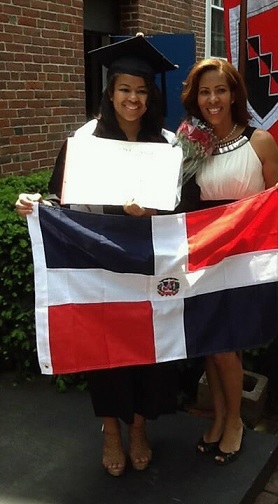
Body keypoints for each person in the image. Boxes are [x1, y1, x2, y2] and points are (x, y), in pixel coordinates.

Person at [15, 35, 179, 477]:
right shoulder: (84, 142)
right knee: (105, 353)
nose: (133, 98)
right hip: (98, 262)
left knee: (149, 350)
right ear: (111, 92)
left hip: (149, 261)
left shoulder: (166, 144)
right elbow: (61, 199)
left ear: (151, 96)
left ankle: (140, 427)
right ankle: (111, 429)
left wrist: (153, 208)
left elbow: (181, 206)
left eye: (142, 90)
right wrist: (36, 205)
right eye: (125, 89)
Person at [177, 58, 278, 465]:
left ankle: (234, 423)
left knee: (227, 347)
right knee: (211, 344)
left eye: (220, 90)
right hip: (203, 253)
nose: (213, 99)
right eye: (204, 92)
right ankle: (219, 418)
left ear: (234, 94)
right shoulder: (187, 144)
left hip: (244, 255)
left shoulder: (259, 141)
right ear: (195, 98)